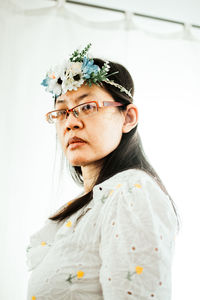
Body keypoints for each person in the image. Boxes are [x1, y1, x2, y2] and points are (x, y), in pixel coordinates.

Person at [26, 43, 180, 300]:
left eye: (87, 107)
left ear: (128, 118)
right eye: (62, 112)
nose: (71, 123)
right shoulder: (86, 208)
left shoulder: (131, 191)